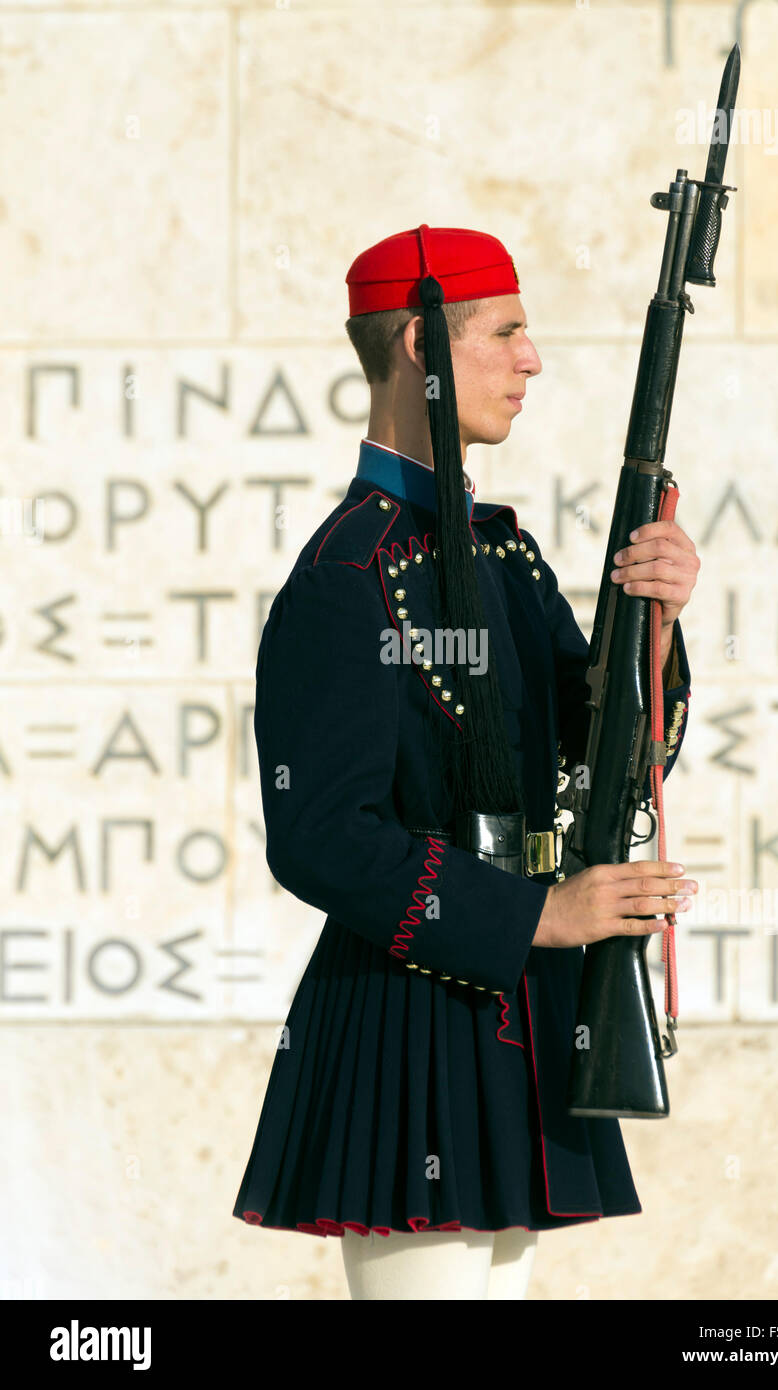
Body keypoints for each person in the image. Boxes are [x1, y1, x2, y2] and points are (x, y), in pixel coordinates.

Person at [232, 224, 699, 1300]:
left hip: (517, 1008)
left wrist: (659, 632)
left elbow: (614, 752)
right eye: (505, 332)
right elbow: (319, 837)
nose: (532, 359)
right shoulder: (346, 577)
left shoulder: (499, 551)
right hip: (410, 1016)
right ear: (417, 346)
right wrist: (539, 916)